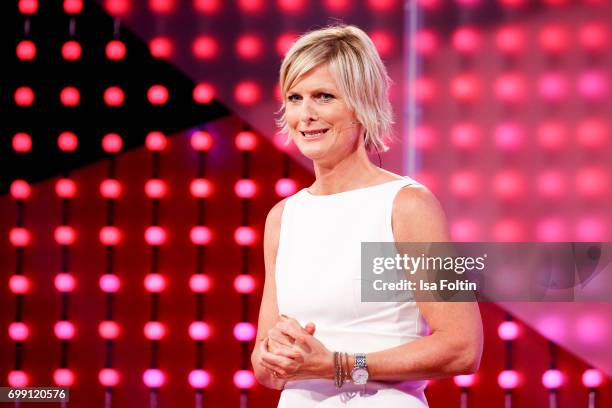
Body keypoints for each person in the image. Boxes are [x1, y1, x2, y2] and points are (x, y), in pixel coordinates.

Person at [251, 24, 483, 407]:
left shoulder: (406, 205)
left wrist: (338, 366)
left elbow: (462, 348)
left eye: (323, 97)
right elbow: (266, 370)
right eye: (295, 98)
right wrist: (272, 357)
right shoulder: (284, 216)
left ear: (361, 104)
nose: (305, 115)